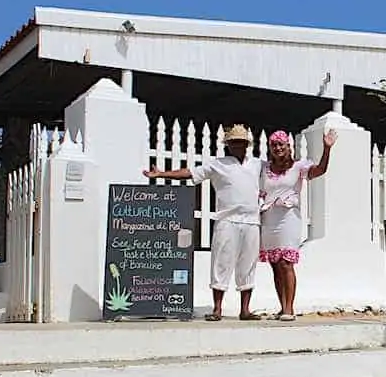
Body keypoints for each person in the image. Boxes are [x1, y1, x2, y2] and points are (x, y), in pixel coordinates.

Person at [142, 123, 263, 322]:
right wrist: (162, 174)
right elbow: (190, 173)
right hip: (227, 220)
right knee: (221, 263)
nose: (237, 146)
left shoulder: (258, 164)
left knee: (248, 265)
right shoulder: (218, 164)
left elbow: (280, 171)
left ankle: (245, 310)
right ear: (228, 145)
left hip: (252, 221)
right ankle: (217, 309)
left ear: (247, 145)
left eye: (241, 143)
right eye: (233, 143)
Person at [259, 128, 336, 321]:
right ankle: (282, 306)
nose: (277, 148)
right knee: (275, 264)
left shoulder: (298, 167)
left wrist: (327, 149)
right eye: (274, 145)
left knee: (286, 263)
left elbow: (319, 170)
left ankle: (289, 309)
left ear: (288, 146)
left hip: (289, 219)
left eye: (281, 145)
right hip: (269, 219)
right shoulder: (264, 169)